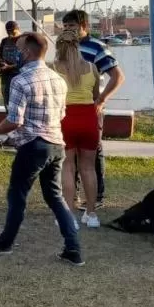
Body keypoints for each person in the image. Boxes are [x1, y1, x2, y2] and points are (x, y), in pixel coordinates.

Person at [0, 33, 83, 266]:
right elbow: (62, 113)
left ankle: (5, 242)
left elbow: (15, 120)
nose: (13, 53)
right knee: (55, 197)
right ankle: (73, 248)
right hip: (56, 145)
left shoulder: (20, 81)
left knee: (17, 195)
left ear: (26, 52)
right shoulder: (58, 79)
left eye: (17, 49)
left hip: (33, 146)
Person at [62, 10, 125, 209]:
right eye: (65, 27)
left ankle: (96, 198)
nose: (68, 30)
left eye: (72, 26)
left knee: (92, 154)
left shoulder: (97, 47)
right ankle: (73, 198)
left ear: (84, 27)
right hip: (68, 109)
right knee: (69, 157)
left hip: (90, 109)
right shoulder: (64, 50)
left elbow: (117, 77)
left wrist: (101, 99)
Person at [52, 30, 102, 228]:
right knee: (89, 168)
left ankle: (68, 215)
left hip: (64, 119)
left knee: (67, 167)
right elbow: (95, 95)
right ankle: (92, 214)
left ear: (58, 47)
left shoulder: (53, 68)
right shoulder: (92, 68)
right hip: (88, 119)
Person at [0, 21, 23, 110]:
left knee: (19, 99)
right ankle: (8, 116)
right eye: (8, 32)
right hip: (5, 75)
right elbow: (0, 56)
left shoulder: (24, 41)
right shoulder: (4, 41)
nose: (10, 35)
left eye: (13, 32)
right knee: (6, 96)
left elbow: (26, 60)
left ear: (18, 29)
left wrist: (10, 66)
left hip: (19, 74)